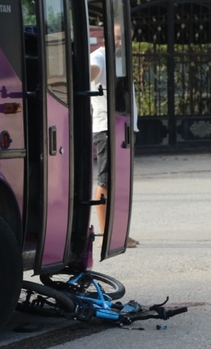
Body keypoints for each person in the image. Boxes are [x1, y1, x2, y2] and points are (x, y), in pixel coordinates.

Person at [90, 24, 139, 248]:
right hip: (107, 130)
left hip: (124, 128)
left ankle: (118, 233)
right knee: (106, 181)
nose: (121, 43)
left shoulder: (121, 60)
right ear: (108, 36)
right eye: (118, 38)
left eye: (126, 38)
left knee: (120, 183)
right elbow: (93, 70)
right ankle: (105, 235)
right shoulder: (99, 56)